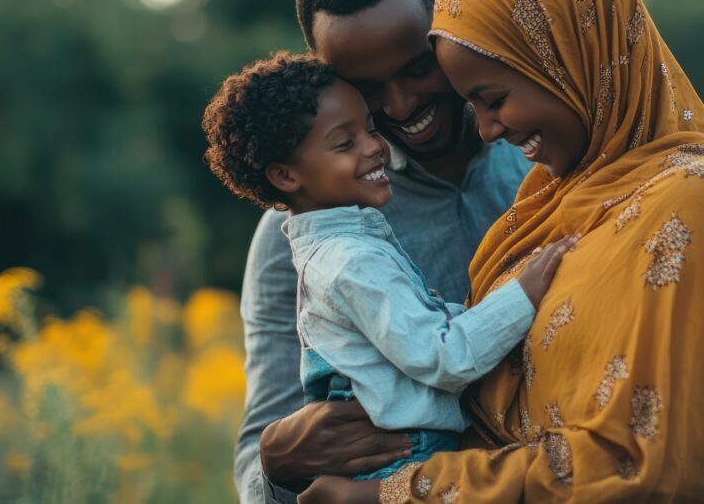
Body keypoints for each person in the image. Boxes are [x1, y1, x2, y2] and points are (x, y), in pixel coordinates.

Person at [302, 0, 704, 503]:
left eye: (494, 98)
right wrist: (278, 464)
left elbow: (641, 465)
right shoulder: (543, 201)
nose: (489, 128)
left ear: (566, 60)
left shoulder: (694, 198)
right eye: (368, 89)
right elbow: (301, 446)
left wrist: (403, 493)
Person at [233, 0, 532, 503]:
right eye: (366, 88)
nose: (399, 106)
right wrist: (276, 465)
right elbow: (259, 466)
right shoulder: (297, 236)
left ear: (449, 32)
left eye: (418, 68)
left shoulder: (539, 155)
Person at [204, 52, 574, 495]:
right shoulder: (349, 261)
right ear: (285, 176)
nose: (377, 143)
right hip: (401, 464)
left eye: (370, 129)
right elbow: (443, 355)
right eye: (346, 143)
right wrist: (523, 293)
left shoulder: (542, 163)